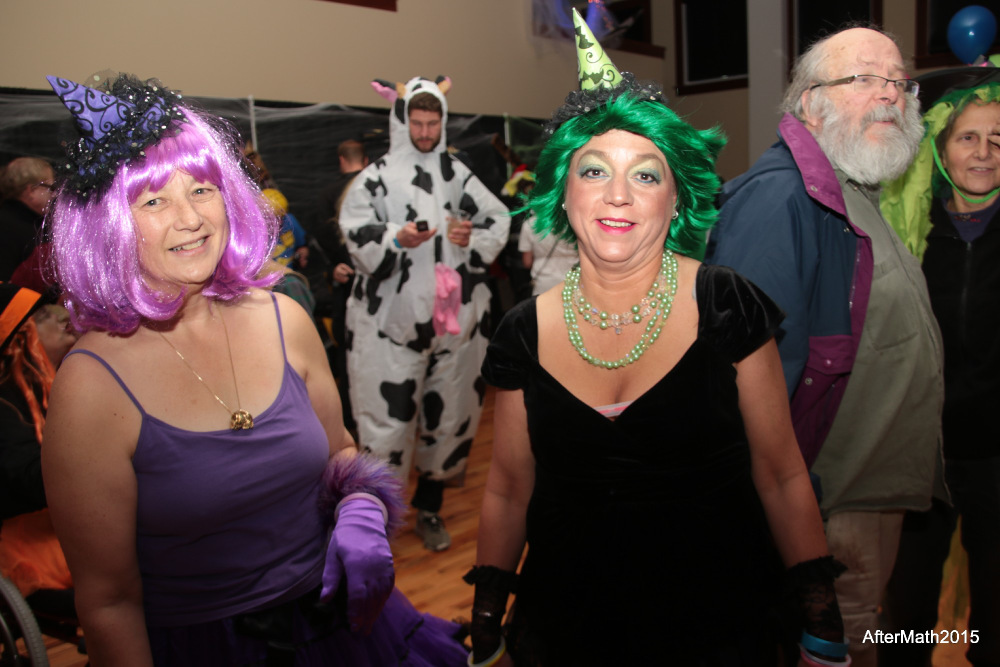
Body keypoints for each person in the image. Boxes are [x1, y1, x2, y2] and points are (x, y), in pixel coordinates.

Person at [39, 72, 468, 666]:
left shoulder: (285, 318)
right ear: (108, 224)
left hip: (343, 629)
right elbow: (109, 601)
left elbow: (341, 451)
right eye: (154, 200)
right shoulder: (90, 386)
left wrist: (362, 510)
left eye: (202, 189)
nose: (191, 218)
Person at [467, 11, 847, 666]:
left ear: (675, 201)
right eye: (594, 172)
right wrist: (486, 620)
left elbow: (781, 474)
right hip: (569, 629)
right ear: (563, 193)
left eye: (645, 174)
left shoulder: (726, 303)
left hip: (720, 626)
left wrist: (822, 619)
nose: (617, 195)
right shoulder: (521, 331)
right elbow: (507, 487)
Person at [704, 26, 945, 667]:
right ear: (811, 103)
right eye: (864, 78)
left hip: (868, 493)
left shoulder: (850, 187)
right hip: (829, 504)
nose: (890, 95)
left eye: (899, 82)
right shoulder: (782, 198)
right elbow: (746, 389)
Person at [339, 75, 509, 551]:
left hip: (455, 326)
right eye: (417, 123)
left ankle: (429, 509)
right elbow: (354, 230)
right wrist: (396, 237)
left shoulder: (457, 174)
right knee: (385, 426)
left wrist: (470, 236)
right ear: (403, 121)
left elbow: (498, 219)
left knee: (450, 418)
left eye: (434, 123)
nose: (426, 132)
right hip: (389, 325)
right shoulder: (376, 177)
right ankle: (381, 518)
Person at [878, 64, 1000, 667]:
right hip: (923, 455)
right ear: (942, 148)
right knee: (907, 615)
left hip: (997, 457)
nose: (983, 153)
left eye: (999, 139)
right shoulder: (910, 232)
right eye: (968, 137)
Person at [0, 283, 75, 619]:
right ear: (20, 338)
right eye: (42, 317)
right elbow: (26, 479)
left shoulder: (56, 383)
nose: (61, 320)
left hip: (66, 532)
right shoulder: (6, 402)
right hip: (29, 548)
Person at [0, 157, 55, 282]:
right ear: (31, 190)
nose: (54, 194)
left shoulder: (33, 224)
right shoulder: (8, 228)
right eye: (51, 188)